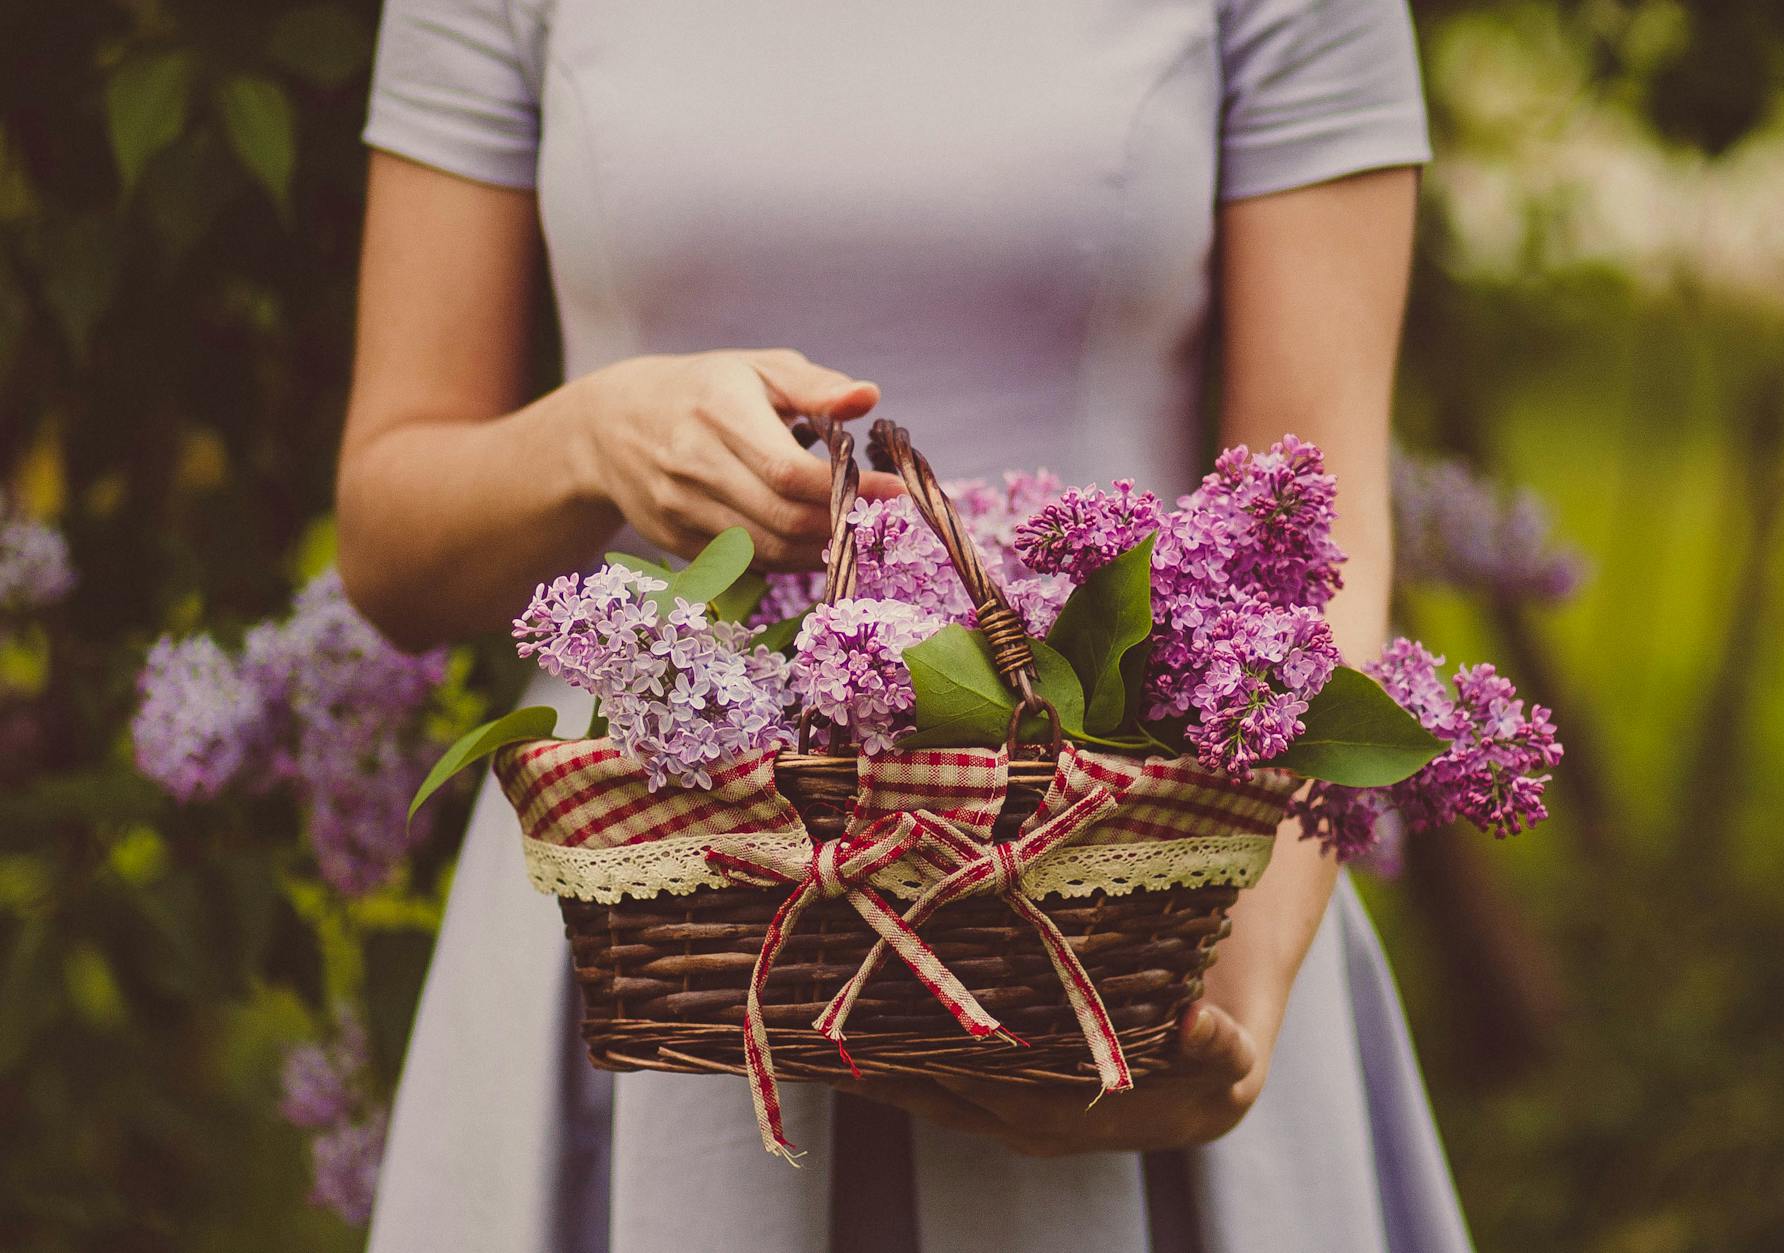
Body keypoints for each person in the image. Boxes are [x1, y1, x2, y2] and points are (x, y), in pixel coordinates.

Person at [336, 1, 1472, 1249]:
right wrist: (589, 439)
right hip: (655, 891)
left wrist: (1227, 1004)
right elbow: (391, 542)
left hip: (1128, 886)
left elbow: (1319, 528)